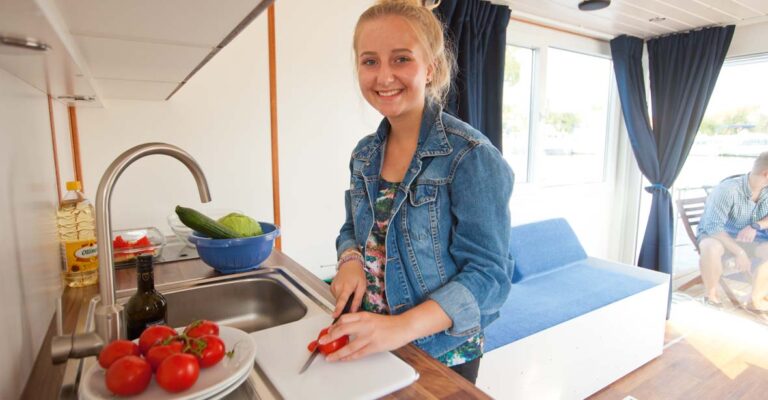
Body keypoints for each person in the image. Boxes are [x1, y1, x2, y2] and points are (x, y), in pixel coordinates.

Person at [320, 0, 514, 384]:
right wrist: (349, 260)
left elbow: (490, 278)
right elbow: (352, 231)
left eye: (402, 59)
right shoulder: (364, 154)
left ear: (432, 69)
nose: (384, 76)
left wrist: (401, 328)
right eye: (370, 61)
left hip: (441, 351)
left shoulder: (471, 157)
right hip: (373, 337)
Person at [697, 151, 768, 314]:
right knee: (710, 247)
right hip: (719, 236)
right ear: (766, 174)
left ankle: (755, 299)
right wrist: (740, 252)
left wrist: (756, 225)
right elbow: (713, 228)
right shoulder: (728, 190)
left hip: (750, 238)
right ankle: (711, 296)